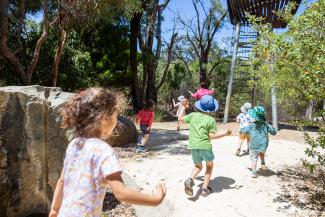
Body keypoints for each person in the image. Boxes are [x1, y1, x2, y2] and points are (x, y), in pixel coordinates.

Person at [49, 88, 166, 217]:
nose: (117, 120)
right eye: (116, 115)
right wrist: (155, 199)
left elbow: (62, 181)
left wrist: (54, 210)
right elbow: (121, 193)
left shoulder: (74, 144)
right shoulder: (103, 150)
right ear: (104, 118)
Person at [179, 95, 232, 197]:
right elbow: (211, 136)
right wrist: (225, 133)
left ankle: (190, 179)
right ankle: (204, 189)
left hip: (193, 145)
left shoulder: (193, 115)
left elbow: (180, 119)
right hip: (204, 146)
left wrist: (183, 107)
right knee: (209, 166)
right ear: (212, 109)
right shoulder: (211, 120)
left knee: (198, 166)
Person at [240, 106, 277, 178]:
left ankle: (254, 171)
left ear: (254, 116)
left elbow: (244, 131)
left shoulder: (251, 125)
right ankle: (263, 163)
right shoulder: (266, 124)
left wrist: (242, 128)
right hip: (263, 144)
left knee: (253, 157)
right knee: (261, 152)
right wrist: (273, 127)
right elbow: (274, 132)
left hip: (253, 144)